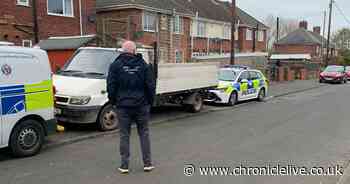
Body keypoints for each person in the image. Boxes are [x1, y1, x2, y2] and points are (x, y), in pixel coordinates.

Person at [107, 41, 156, 174]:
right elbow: (150, 86)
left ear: (122, 51)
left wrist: (113, 102)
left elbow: (111, 86)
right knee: (144, 134)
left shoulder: (115, 66)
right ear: (135, 51)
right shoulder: (143, 65)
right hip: (142, 105)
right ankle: (147, 164)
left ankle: (124, 166)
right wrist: (151, 102)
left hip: (123, 106)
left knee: (124, 135)